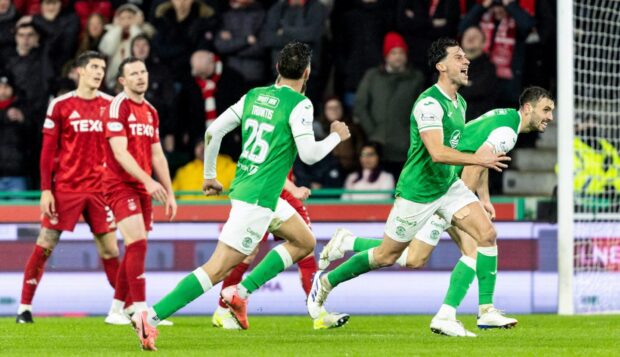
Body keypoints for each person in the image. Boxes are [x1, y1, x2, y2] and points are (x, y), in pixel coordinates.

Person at [129, 42, 350, 351]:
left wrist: (209, 175)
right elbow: (310, 155)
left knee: (304, 241)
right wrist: (335, 136)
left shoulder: (254, 96)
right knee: (216, 268)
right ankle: (150, 317)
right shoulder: (300, 104)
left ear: (277, 68)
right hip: (257, 201)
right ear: (307, 72)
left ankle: (240, 293)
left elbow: (212, 132)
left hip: (257, 193)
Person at [307, 37, 510, 333]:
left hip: (447, 187)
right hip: (418, 192)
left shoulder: (460, 102)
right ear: (441, 66)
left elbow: (459, 148)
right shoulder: (428, 104)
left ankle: (487, 310)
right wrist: (478, 159)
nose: (466, 61)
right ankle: (325, 281)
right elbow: (438, 153)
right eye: (458, 57)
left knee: (486, 235)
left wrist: (481, 185)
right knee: (389, 256)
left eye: (466, 57)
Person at [320, 86, 555, 336]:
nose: (550, 117)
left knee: (414, 258)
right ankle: (464, 313)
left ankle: (349, 241)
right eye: (546, 110)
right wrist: (462, 204)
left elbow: (479, 155)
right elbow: (476, 164)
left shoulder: (504, 116)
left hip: (444, 185)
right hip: (443, 189)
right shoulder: (508, 131)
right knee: (476, 247)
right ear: (528, 108)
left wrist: (484, 199)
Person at [16, 52, 119, 323]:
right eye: (94, 67)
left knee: (110, 250)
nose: (99, 72)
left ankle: (127, 307)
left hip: (101, 189)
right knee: (45, 244)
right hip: (66, 188)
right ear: (79, 71)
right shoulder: (61, 105)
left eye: (102, 68)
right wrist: (45, 190)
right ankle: (24, 308)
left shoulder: (112, 105)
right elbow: (47, 152)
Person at [212, 172, 349, 330]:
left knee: (306, 248)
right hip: (263, 193)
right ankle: (223, 310)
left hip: (285, 193)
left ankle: (320, 315)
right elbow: (271, 164)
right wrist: (294, 188)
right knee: (247, 253)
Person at [103, 56, 177, 325]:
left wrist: (169, 192)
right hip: (119, 184)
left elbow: (157, 154)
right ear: (122, 80)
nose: (140, 77)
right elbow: (120, 153)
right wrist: (148, 181)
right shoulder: (117, 107)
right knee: (137, 243)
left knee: (137, 246)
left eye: (143, 71)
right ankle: (142, 310)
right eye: (133, 73)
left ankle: (117, 309)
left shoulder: (151, 111)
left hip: (143, 185)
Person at [354, 31, 425, 180]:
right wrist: (374, 133)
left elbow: (422, 111)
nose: (398, 56)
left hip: (406, 149)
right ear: (386, 55)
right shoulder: (372, 76)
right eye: (393, 52)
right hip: (379, 149)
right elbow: (360, 106)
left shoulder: (416, 78)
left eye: (401, 52)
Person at [172, 140, 236, 201]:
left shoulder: (232, 168)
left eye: (207, 143)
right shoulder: (183, 171)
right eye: (198, 144)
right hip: (186, 212)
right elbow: (170, 197)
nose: (202, 147)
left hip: (219, 211)